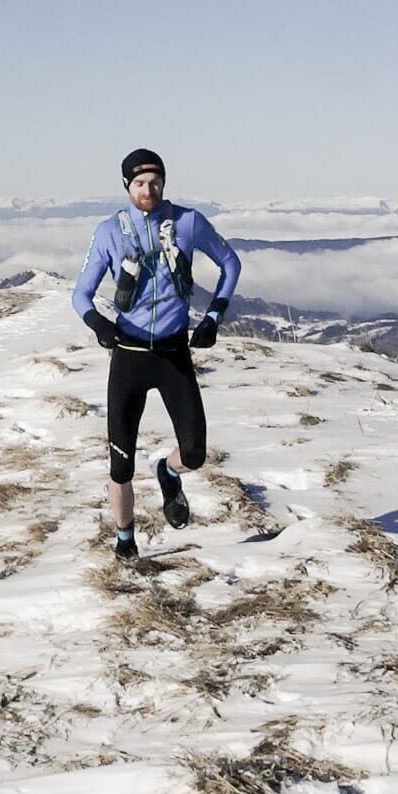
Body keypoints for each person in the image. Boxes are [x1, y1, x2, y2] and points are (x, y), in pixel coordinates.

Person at [71, 148, 241, 560]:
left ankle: (167, 471)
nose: (148, 189)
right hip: (128, 356)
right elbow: (80, 294)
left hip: (173, 354)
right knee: (120, 464)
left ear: (164, 182)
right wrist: (99, 324)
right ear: (127, 185)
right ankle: (125, 540)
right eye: (139, 183)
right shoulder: (110, 230)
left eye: (155, 181)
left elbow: (230, 264)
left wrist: (214, 317)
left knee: (196, 454)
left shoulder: (188, 222)